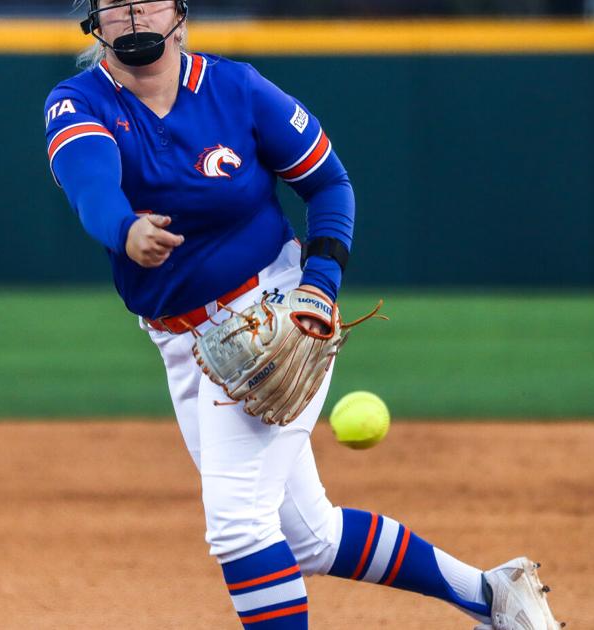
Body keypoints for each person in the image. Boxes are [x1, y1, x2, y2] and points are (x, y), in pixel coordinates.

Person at [43, 2, 564, 628]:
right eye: (115, 2)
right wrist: (124, 229)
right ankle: (493, 595)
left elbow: (329, 184)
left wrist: (320, 284)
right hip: (181, 340)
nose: (134, 14)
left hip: (271, 315)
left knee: (239, 526)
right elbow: (91, 184)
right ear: (93, 18)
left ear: (180, 10)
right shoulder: (78, 100)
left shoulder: (237, 89)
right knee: (309, 535)